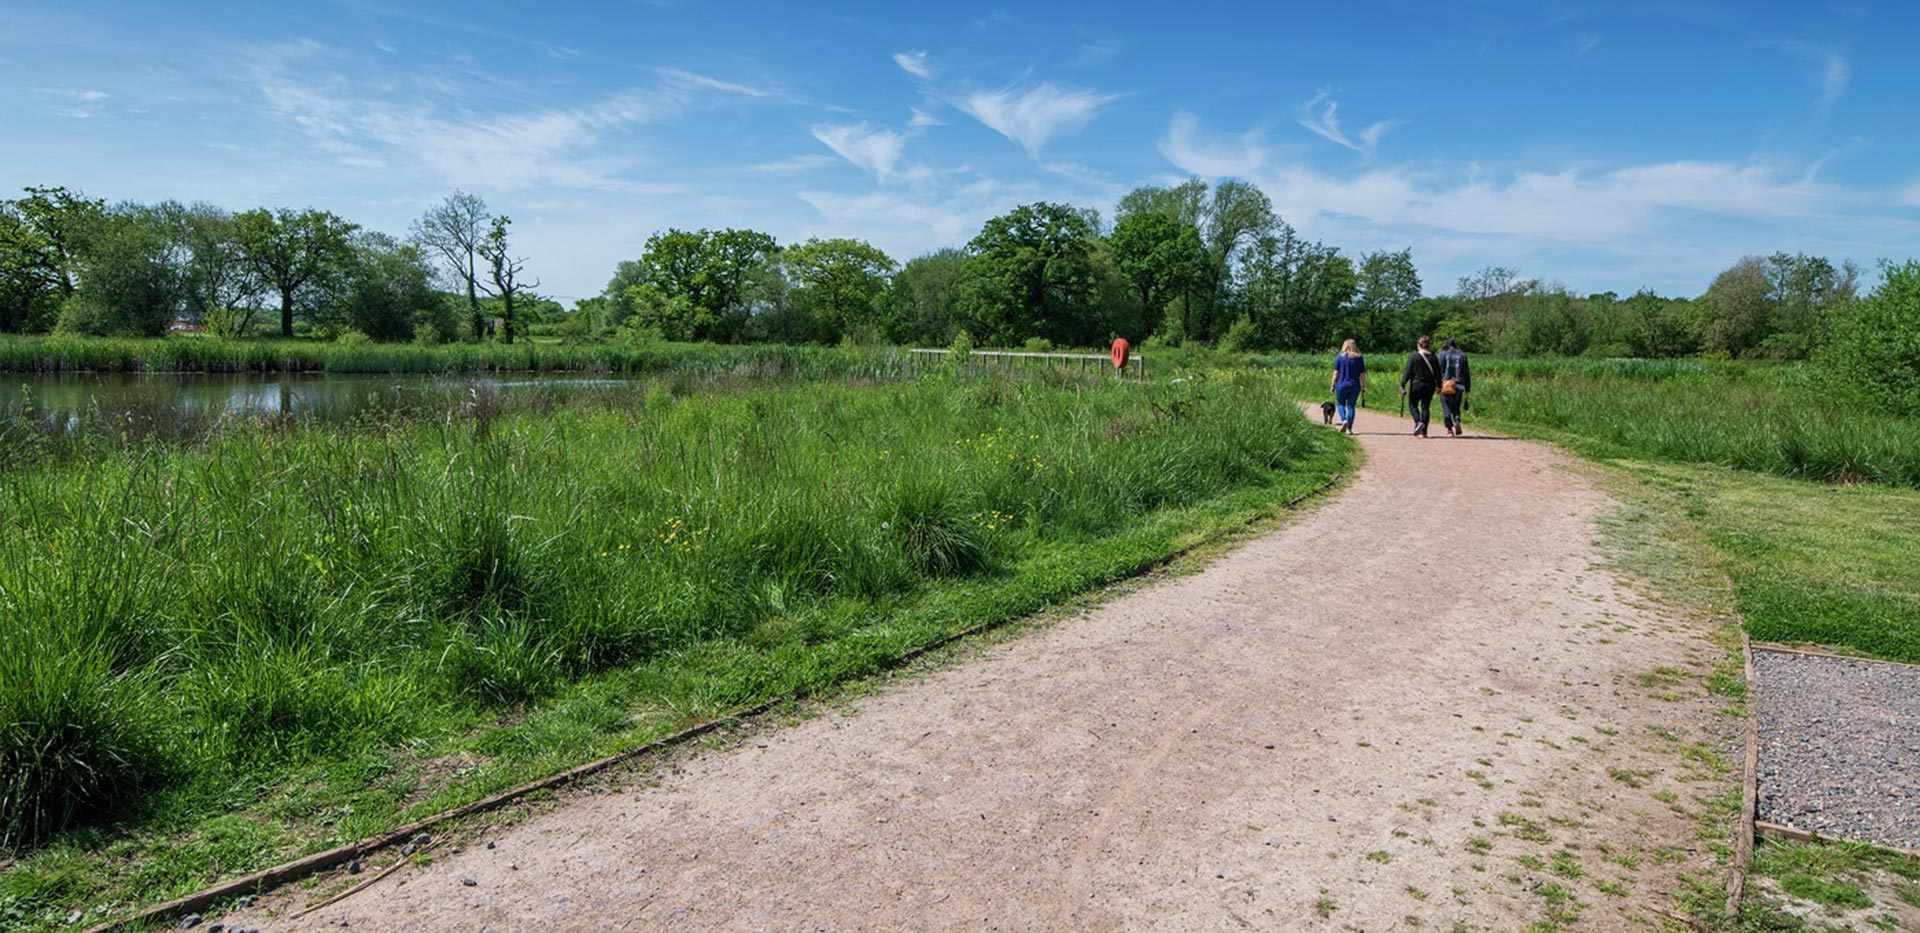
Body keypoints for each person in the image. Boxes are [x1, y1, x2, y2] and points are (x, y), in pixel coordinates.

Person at [1399, 335, 1441, 438]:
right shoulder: (1434, 357)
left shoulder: (1414, 356)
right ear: (1429, 345)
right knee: (1425, 407)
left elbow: (1407, 372)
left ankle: (1418, 422)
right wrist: (1439, 386)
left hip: (1416, 385)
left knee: (1412, 405)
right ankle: (1424, 432)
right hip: (1430, 385)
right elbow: (1438, 373)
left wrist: (1402, 384)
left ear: (1419, 345)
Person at [1437, 337, 1471, 436]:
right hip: (1459, 385)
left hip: (1445, 384)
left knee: (1446, 406)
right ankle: (1457, 420)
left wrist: (1437, 385)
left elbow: (1438, 370)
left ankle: (1449, 430)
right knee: (1456, 405)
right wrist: (1468, 387)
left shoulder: (1442, 354)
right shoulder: (1462, 355)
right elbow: (1467, 373)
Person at [1330, 338, 1365, 434]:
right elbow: (1362, 374)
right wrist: (1363, 386)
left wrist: (1332, 385)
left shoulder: (1339, 357)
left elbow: (1336, 373)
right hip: (1355, 385)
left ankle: (1344, 420)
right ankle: (1349, 429)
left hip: (1341, 385)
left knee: (1340, 404)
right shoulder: (1359, 358)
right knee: (1351, 406)